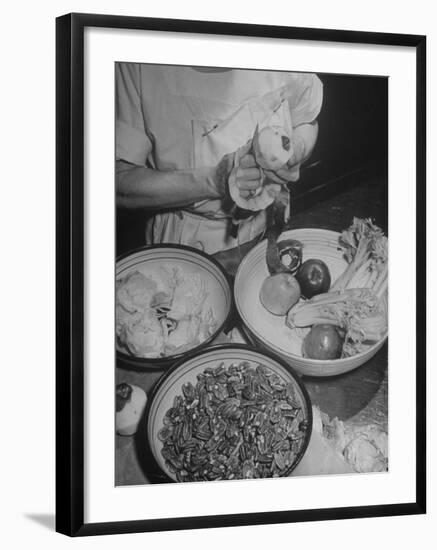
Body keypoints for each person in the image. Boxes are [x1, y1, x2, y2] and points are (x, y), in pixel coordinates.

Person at [116, 64, 322, 262]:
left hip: (273, 225)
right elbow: (118, 182)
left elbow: (306, 120)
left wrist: (298, 148)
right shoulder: (137, 65)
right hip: (191, 243)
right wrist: (213, 181)